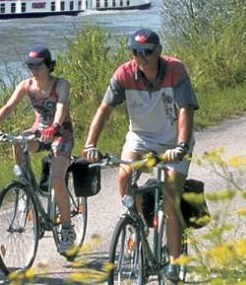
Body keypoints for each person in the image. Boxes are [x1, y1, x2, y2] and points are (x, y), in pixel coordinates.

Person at [81, 28, 198, 282]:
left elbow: (186, 110)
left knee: (169, 200)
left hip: (173, 141)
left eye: (147, 52)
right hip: (140, 137)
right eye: (136, 52)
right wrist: (90, 144)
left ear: (158, 51)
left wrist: (180, 145)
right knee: (123, 176)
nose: (141, 57)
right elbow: (104, 108)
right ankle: (137, 223)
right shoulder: (124, 73)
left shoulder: (175, 70)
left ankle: (176, 263)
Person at [0, 46, 77, 254]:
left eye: (38, 65)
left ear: (49, 66)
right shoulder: (26, 85)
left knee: (56, 179)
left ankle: (67, 229)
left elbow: (61, 107)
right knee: (18, 141)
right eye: (30, 66)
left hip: (61, 133)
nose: (34, 70)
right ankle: (25, 188)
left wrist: (55, 126)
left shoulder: (61, 84)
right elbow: (9, 106)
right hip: (39, 131)